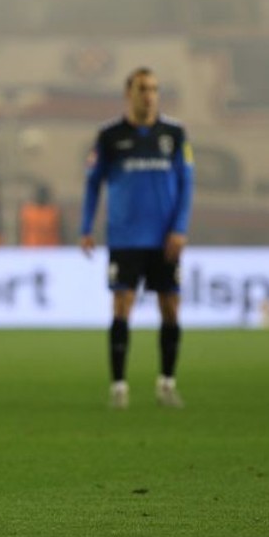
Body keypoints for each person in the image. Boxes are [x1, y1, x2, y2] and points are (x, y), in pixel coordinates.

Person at [80, 67, 194, 410]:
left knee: (170, 307)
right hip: (125, 237)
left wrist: (180, 229)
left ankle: (167, 383)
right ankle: (119, 386)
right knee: (121, 306)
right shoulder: (110, 136)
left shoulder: (174, 134)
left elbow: (187, 184)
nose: (149, 96)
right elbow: (93, 183)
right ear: (128, 93)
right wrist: (86, 228)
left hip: (165, 239)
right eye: (143, 89)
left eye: (154, 89)